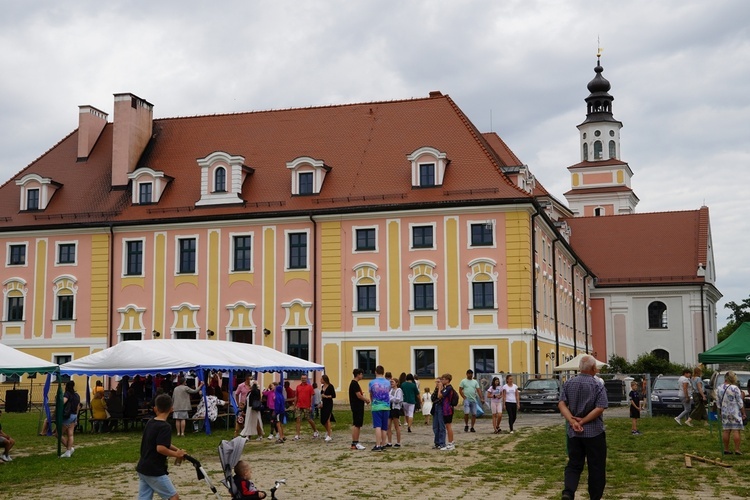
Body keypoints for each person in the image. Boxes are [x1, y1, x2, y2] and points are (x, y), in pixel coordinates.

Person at [558, 354, 608, 500]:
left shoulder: (569, 383)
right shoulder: (597, 385)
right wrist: (583, 421)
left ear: (580, 368)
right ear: (593, 368)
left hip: (574, 433)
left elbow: (561, 403)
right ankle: (595, 496)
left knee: (574, 464)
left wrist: (573, 422)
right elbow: (600, 407)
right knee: (596, 467)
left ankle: (568, 491)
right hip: (594, 433)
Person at [136, 393, 187, 500]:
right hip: (154, 470)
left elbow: (164, 443)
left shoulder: (150, 422)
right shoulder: (165, 427)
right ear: (171, 409)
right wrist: (176, 454)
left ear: (155, 409)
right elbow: (160, 448)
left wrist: (177, 450)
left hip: (143, 467)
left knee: (144, 498)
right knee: (173, 497)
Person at [717, 371, 746, 455]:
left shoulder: (719, 388)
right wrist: (743, 412)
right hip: (735, 411)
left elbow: (718, 402)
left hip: (724, 411)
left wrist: (720, 411)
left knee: (726, 430)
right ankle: (737, 449)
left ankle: (726, 449)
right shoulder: (735, 388)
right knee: (736, 430)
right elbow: (740, 401)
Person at [369, 365, 391, 452]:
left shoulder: (372, 382)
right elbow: (388, 392)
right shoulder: (388, 382)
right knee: (384, 427)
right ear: (383, 372)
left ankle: (377, 444)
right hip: (386, 406)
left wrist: (372, 402)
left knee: (377, 426)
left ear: (375, 372)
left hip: (376, 406)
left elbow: (371, 393)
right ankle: (383, 444)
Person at [293, 374, 319, 440]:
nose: (303, 379)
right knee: (298, 419)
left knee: (309, 419)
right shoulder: (298, 387)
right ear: (301, 379)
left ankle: (315, 430)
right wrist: (294, 405)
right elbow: (296, 396)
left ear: (306, 379)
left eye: (304, 378)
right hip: (299, 405)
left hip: (307, 405)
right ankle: (297, 434)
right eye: (302, 378)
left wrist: (311, 405)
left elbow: (312, 396)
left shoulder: (310, 387)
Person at [349, 368, 369, 450]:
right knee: (357, 425)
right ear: (358, 374)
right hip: (357, 406)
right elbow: (358, 395)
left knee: (356, 424)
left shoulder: (353, 383)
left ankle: (354, 443)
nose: (362, 376)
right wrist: (366, 399)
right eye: (362, 374)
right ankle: (356, 442)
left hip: (356, 406)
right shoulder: (355, 384)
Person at [60, 380, 81, 458]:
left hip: (68, 416)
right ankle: (68, 451)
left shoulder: (67, 394)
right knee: (70, 434)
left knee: (58, 433)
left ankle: (69, 448)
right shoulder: (77, 395)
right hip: (74, 415)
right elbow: (78, 406)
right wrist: (76, 417)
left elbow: (63, 402)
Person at [438, 373, 457, 451]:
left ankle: (450, 443)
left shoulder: (448, 388)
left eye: (443, 379)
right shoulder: (447, 388)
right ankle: (451, 442)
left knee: (448, 426)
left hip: (447, 409)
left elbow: (440, 396)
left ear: (447, 380)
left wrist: (439, 388)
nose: (442, 380)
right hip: (446, 408)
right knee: (447, 426)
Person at [319, 374, 336, 442]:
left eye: (321, 379)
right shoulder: (322, 386)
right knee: (323, 420)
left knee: (327, 419)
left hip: (329, 404)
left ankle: (329, 435)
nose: (320, 380)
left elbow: (334, 395)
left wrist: (326, 396)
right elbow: (321, 395)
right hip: (324, 403)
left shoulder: (330, 386)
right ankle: (328, 430)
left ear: (325, 380)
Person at [387, 378, 403, 448]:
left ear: (397, 383)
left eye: (392, 382)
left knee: (396, 426)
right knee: (388, 425)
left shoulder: (399, 390)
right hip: (390, 408)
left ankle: (398, 442)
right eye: (391, 382)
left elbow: (398, 399)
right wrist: (391, 398)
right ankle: (389, 442)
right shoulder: (390, 390)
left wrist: (390, 398)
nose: (391, 383)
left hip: (395, 409)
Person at [431, 378, 445, 449]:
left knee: (441, 426)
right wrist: (437, 389)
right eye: (436, 382)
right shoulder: (436, 390)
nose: (437, 383)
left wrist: (440, 389)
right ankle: (437, 442)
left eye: (438, 382)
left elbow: (440, 399)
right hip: (435, 408)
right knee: (435, 426)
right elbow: (433, 398)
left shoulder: (444, 390)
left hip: (441, 408)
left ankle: (442, 443)